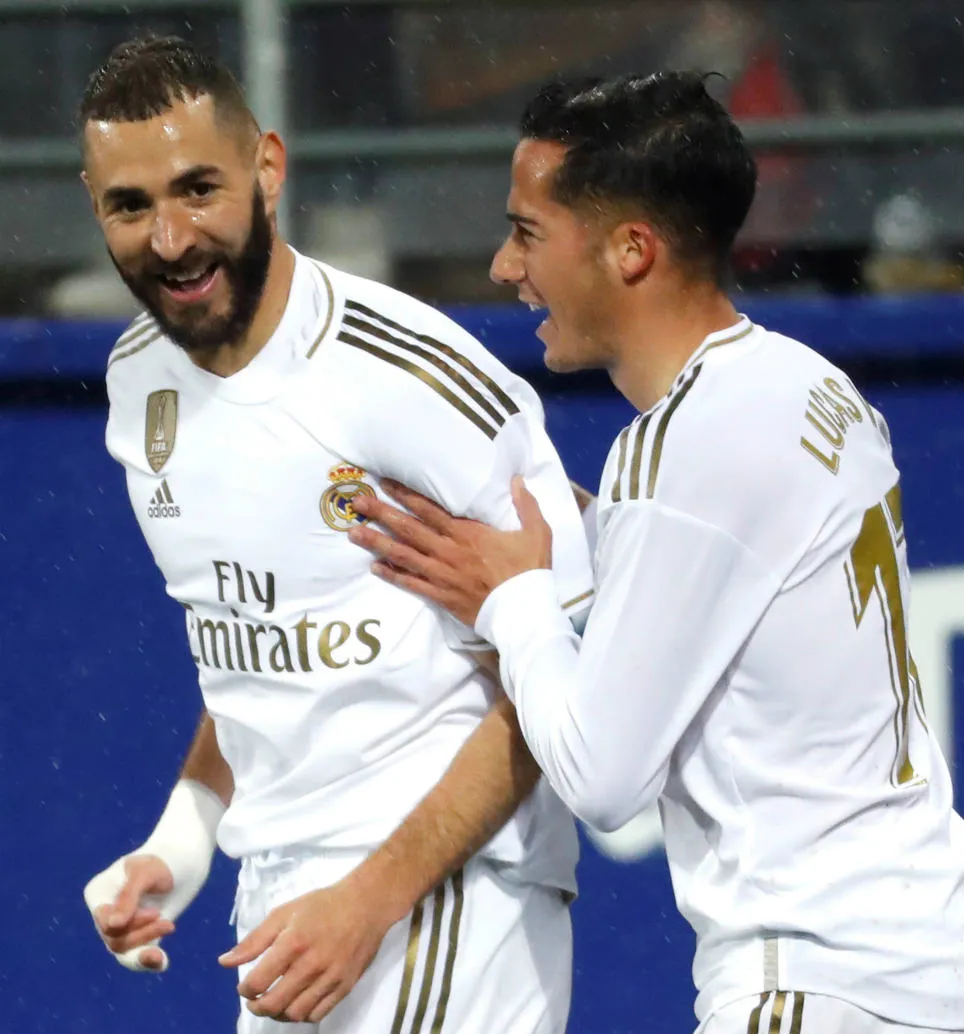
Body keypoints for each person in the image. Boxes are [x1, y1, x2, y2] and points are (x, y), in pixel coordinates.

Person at [348, 72, 964, 1034]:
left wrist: (514, 603)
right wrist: (581, 526)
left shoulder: (682, 447)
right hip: (919, 959)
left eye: (529, 232)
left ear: (631, 249)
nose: (508, 267)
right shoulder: (816, 388)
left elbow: (602, 776)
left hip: (816, 979)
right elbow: (732, 576)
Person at [78, 36, 595, 1033]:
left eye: (199, 189)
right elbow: (257, 646)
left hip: (449, 901)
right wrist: (179, 843)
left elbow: (570, 663)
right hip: (288, 916)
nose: (173, 238)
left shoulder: (406, 374)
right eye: (131, 205)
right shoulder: (138, 379)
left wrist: (373, 897)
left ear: (269, 167)